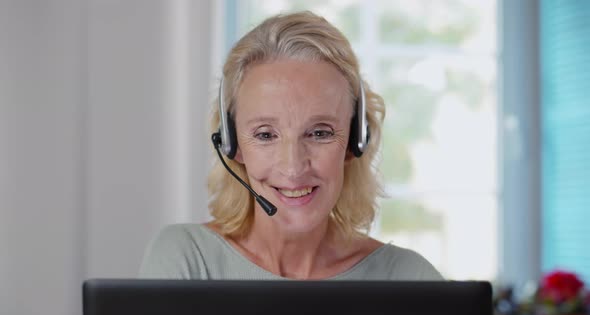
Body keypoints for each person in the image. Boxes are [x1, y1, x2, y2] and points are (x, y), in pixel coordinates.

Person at [139, 11, 442, 280]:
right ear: (232, 144)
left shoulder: (409, 279)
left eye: (319, 133)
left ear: (354, 140)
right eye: (265, 135)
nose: (293, 167)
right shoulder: (187, 260)